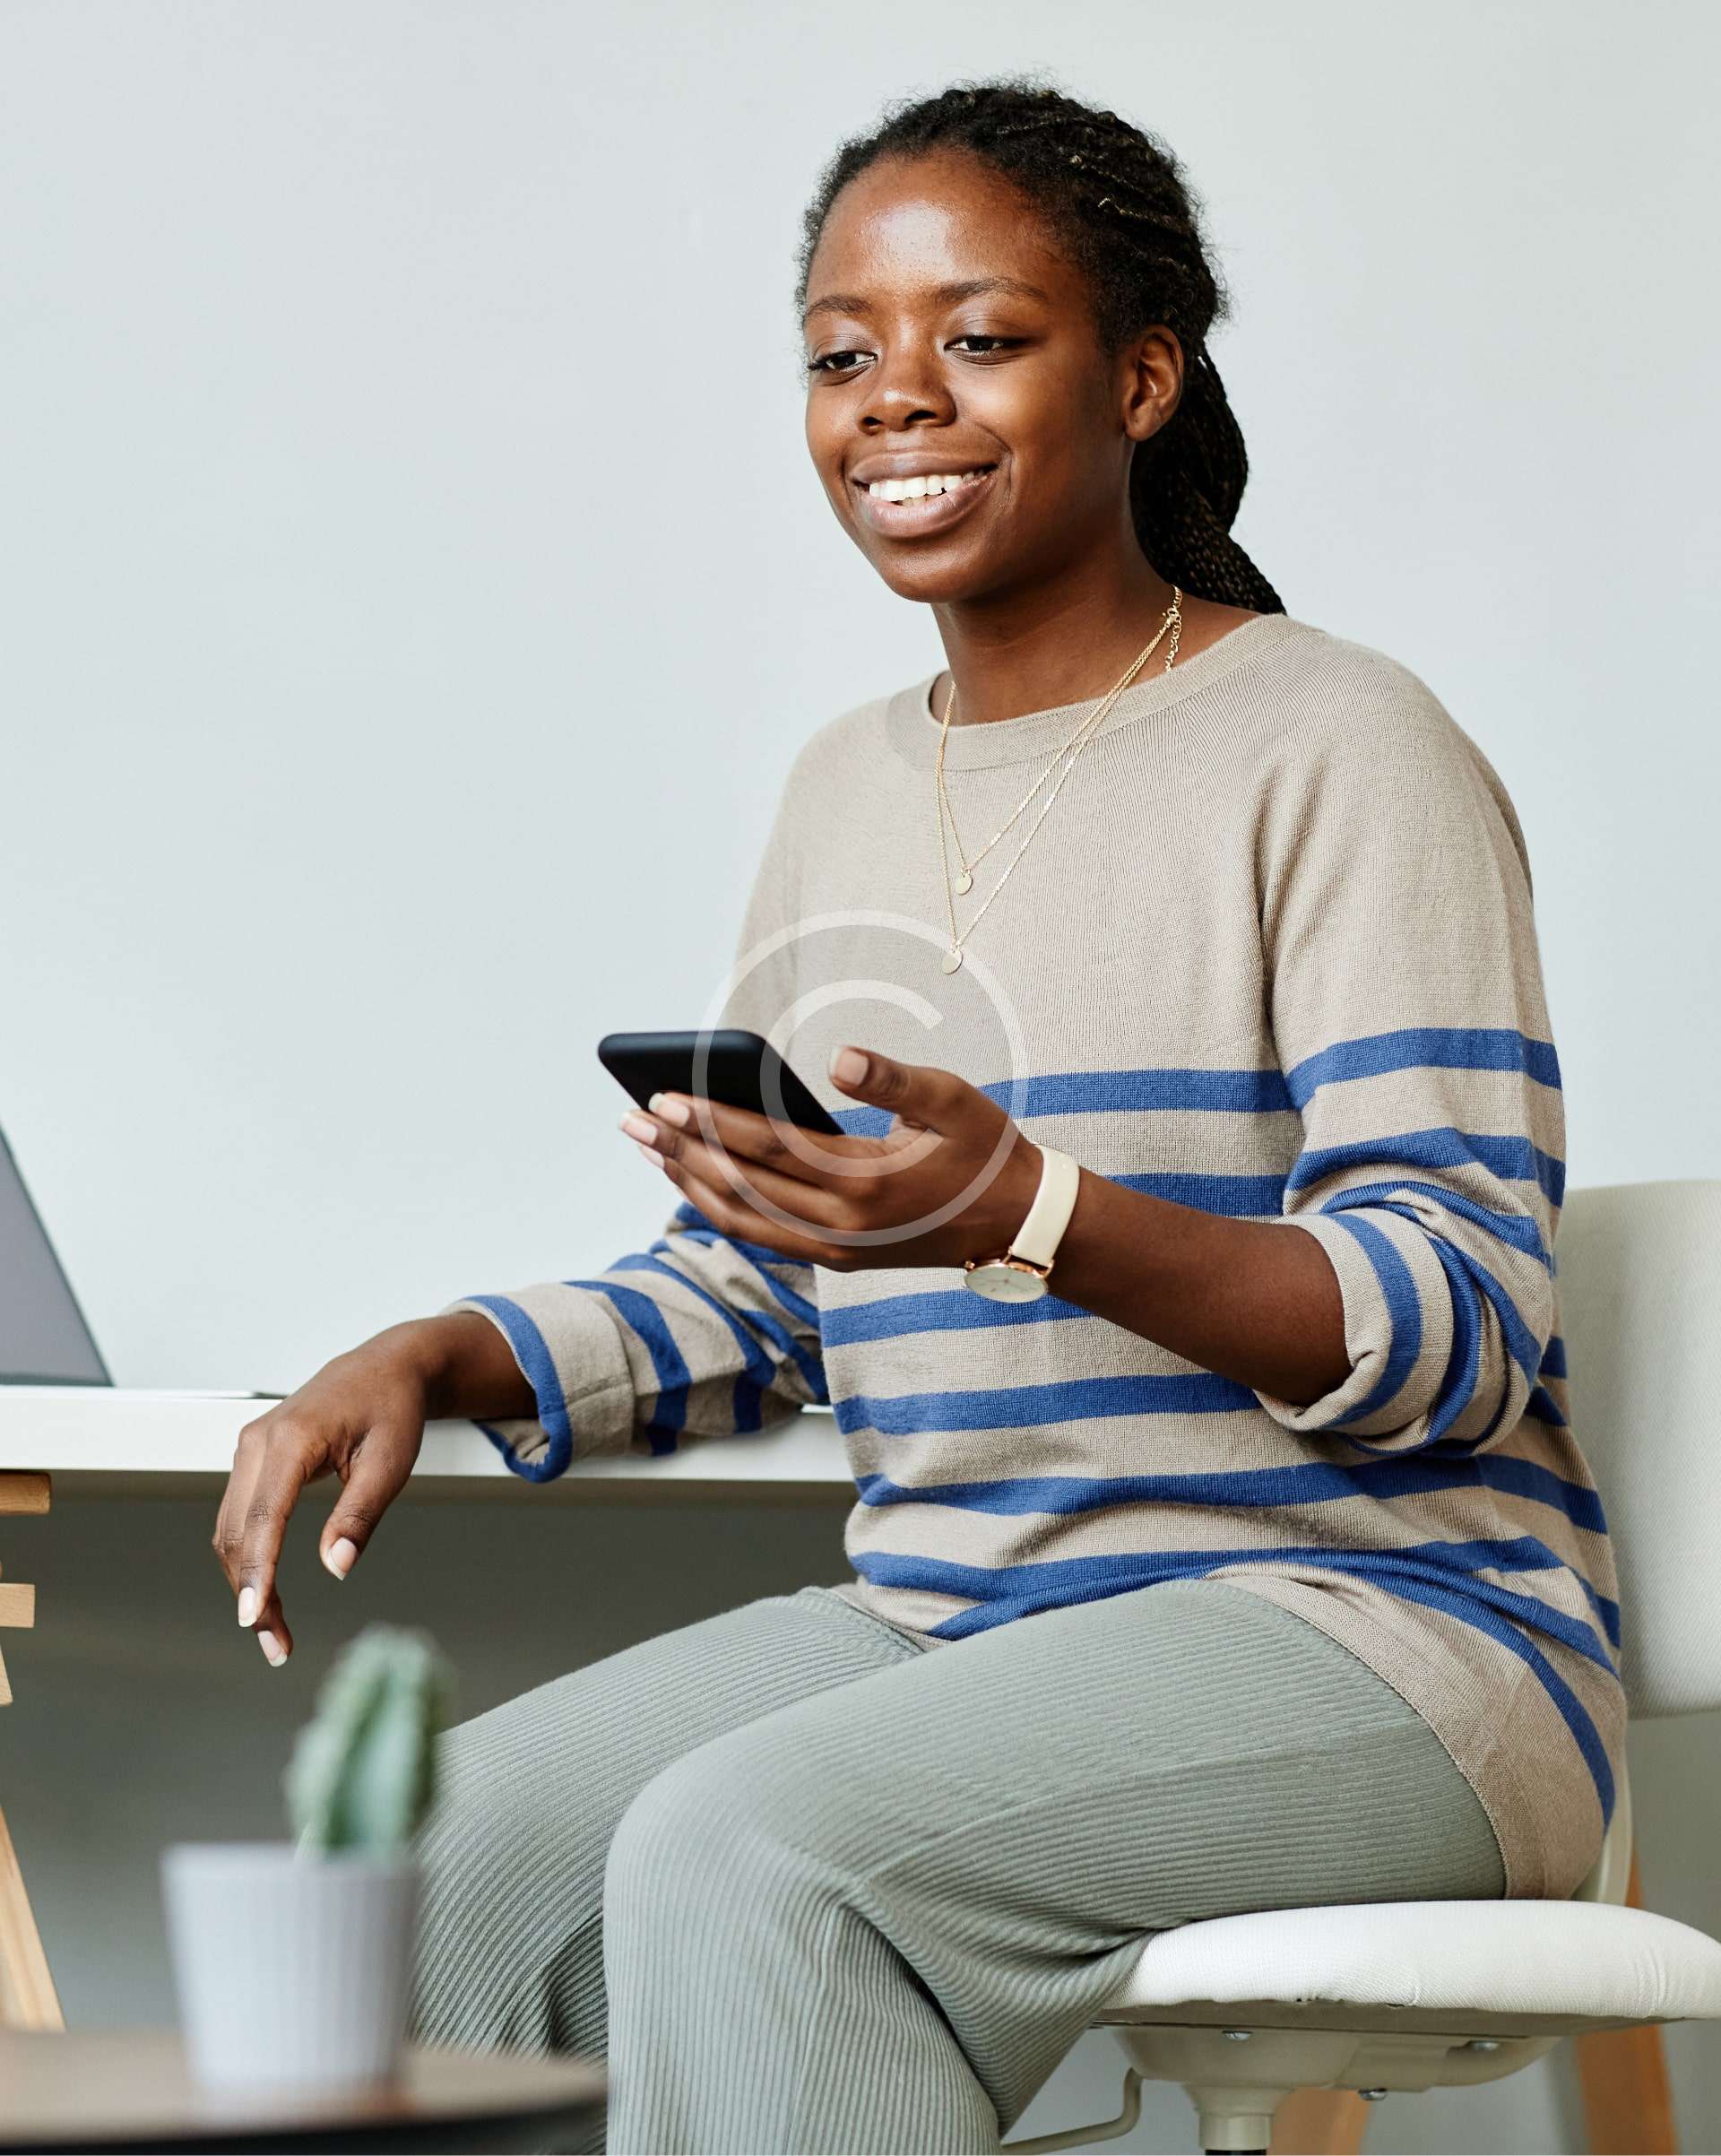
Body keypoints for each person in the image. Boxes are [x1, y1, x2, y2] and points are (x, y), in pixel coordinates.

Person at [210, 75, 1623, 2156]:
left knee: (754, 1853)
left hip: (1387, 1639)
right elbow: (773, 1281)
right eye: (841, 356)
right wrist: (442, 1353)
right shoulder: (845, 787)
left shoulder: (1345, 744)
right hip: (957, 1620)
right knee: (432, 1861)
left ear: (1141, 378)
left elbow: (1461, 1319)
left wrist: (1036, 1212)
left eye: (981, 337)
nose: (896, 400)